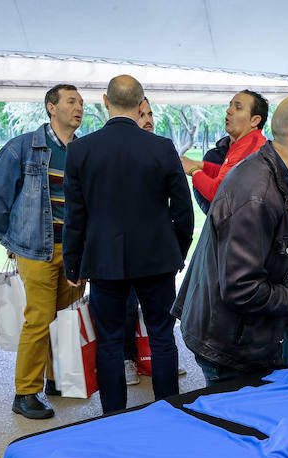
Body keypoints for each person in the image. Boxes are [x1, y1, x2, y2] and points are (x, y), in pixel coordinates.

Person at [173, 94, 288, 385]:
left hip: (237, 333)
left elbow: (269, 251)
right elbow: (243, 290)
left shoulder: (273, 176)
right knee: (236, 426)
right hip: (228, 345)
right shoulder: (259, 193)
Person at [63, 75, 193, 413]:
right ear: (141, 104)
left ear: (105, 102)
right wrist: (177, 252)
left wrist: (73, 263)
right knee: (162, 336)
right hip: (156, 258)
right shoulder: (162, 147)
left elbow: (75, 215)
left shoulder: (79, 150)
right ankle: (168, 409)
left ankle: (113, 417)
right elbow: (183, 210)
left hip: (104, 259)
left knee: (108, 342)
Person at [0, 83, 85, 419]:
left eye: (82, 102)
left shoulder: (84, 150)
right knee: (39, 318)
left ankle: (56, 380)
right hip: (36, 249)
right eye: (71, 101)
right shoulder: (23, 148)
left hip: (73, 252)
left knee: (60, 316)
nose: (79, 107)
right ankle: (25, 392)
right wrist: (9, 239)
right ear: (51, 107)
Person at [122, 97, 187, 385]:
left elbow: (181, 206)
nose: (148, 119)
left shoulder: (162, 148)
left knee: (162, 327)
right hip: (119, 253)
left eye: (150, 113)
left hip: (156, 253)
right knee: (124, 310)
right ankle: (128, 358)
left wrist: (178, 252)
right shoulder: (106, 151)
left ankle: (160, 370)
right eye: (141, 114)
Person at [180, 90, 268, 209]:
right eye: (230, 105)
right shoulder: (244, 143)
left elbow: (218, 193)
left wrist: (193, 170)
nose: (228, 110)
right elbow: (231, 175)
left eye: (238, 107)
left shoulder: (250, 148)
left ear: (254, 120)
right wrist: (199, 165)